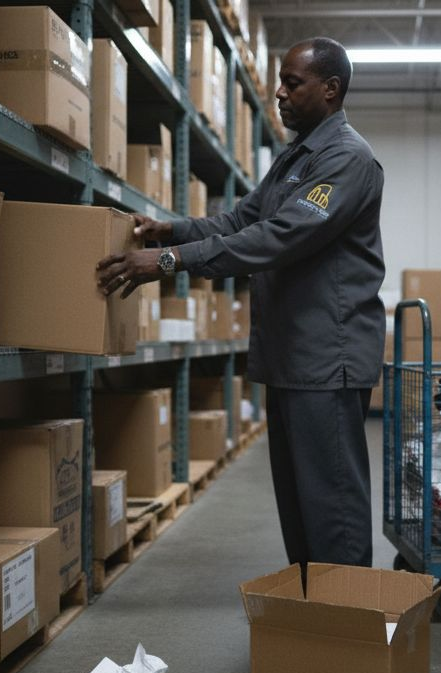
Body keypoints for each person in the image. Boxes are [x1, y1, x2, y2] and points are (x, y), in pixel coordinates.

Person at [96, 37, 385, 569]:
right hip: (293, 358)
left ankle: (350, 635)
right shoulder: (295, 159)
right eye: (280, 80)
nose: (278, 93)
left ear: (330, 89)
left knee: (332, 511)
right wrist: (172, 230)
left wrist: (168, 262)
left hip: (328, 359)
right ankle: (312, 621)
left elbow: (279, 237)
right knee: (300, 509)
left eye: (292, 83)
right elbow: (241, 220)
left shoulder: (347, 159)